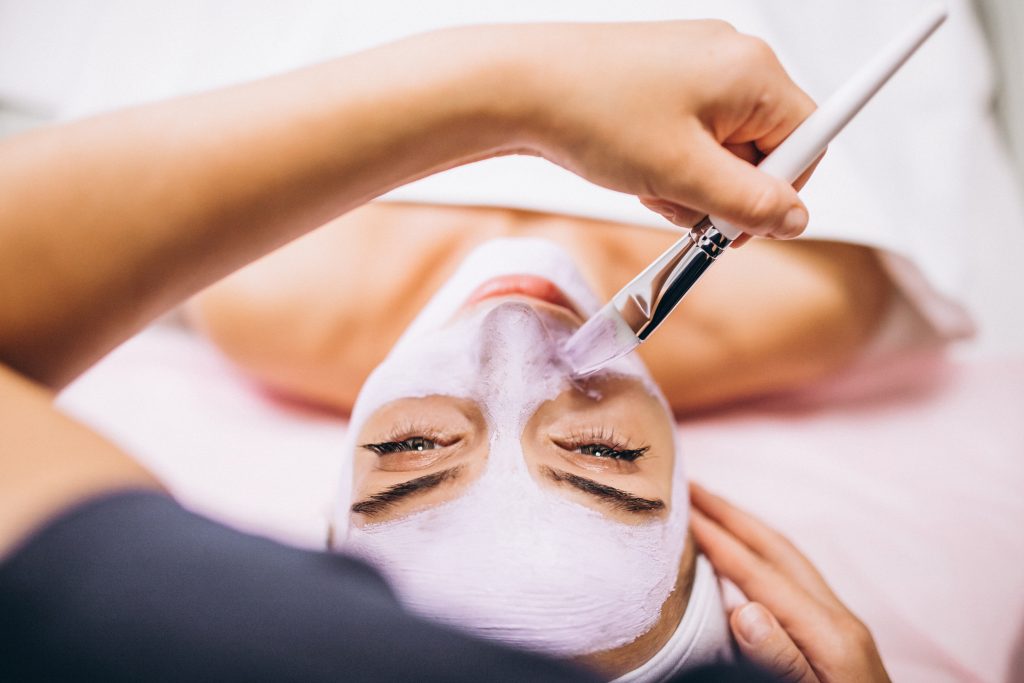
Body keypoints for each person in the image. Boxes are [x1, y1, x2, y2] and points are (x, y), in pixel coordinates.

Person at [0, 19, 887, 681]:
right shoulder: (817, 292)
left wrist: (520, 90)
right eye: (603, 453)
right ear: (699, 517)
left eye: (413, 447)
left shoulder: (260, 288)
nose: (512, 355)